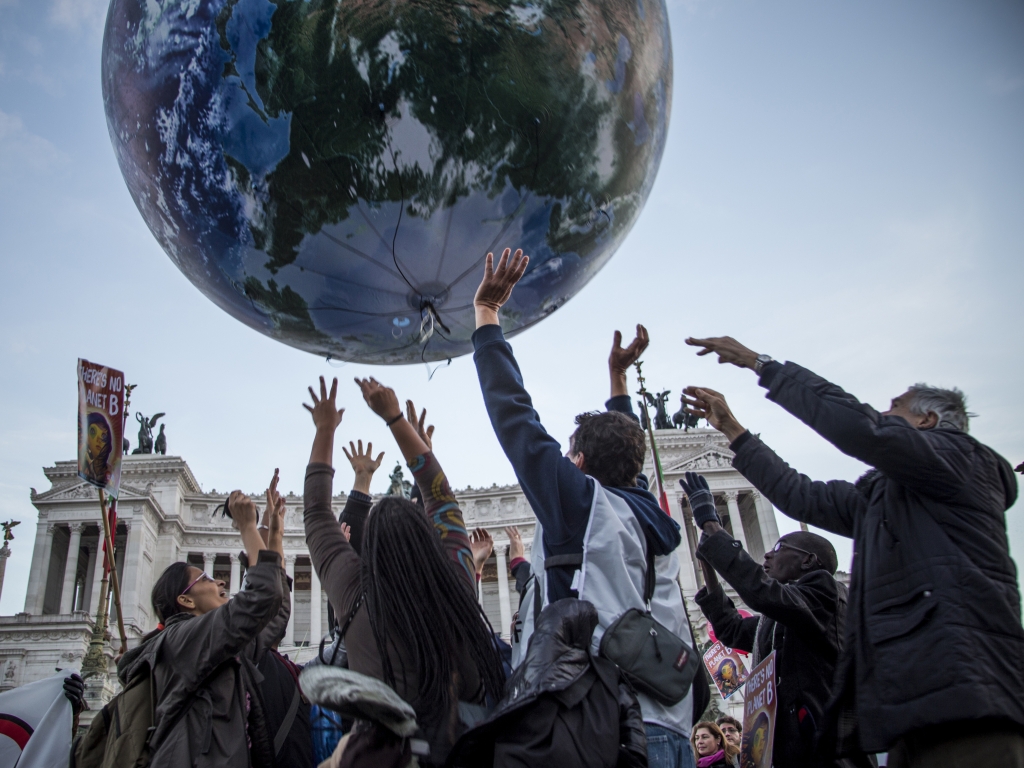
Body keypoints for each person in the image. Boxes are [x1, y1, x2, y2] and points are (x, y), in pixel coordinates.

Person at [683, 335, 1024, 767]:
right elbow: (799, 495)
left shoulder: (963, 463)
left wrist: (760, 364)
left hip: (965, 685)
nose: (882, 415)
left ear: (928, 420)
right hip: (908, 700)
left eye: (893, 408)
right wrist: (733, 430)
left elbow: (864, 430)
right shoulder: (882, 499)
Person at [472, 248, 695, 768]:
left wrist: (486, 319)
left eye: (573, 459)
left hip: (610, 729)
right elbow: (626, 461)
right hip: (671, 728)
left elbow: (517, 423)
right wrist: (619, 386)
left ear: (580, 463)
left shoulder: (586, 507)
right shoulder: (649, 518)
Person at [302, 376, 505, 766]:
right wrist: (395, 418)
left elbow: (315, 513)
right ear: (430, 543)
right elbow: (439, 494)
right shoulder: (458, 583)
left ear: (370, 555)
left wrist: (325, 429)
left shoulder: (355, 597)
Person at [116, 482, 286, 767]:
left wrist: (274, 536)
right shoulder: (181, 640)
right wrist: (247, 527)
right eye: (206, 578)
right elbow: (263, 597)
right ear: (186, 600)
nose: (220, 581)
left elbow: (275, 613)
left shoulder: (216, 646)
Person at [687, 469, 845, 767]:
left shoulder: (825, 594)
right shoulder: (779, 621)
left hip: (821, 744)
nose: (768, 556)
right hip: (785, 747)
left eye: (779, 549)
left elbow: (763, 593)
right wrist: (708, 567)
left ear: (808, 561)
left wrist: (712, 526)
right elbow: (732, 629)